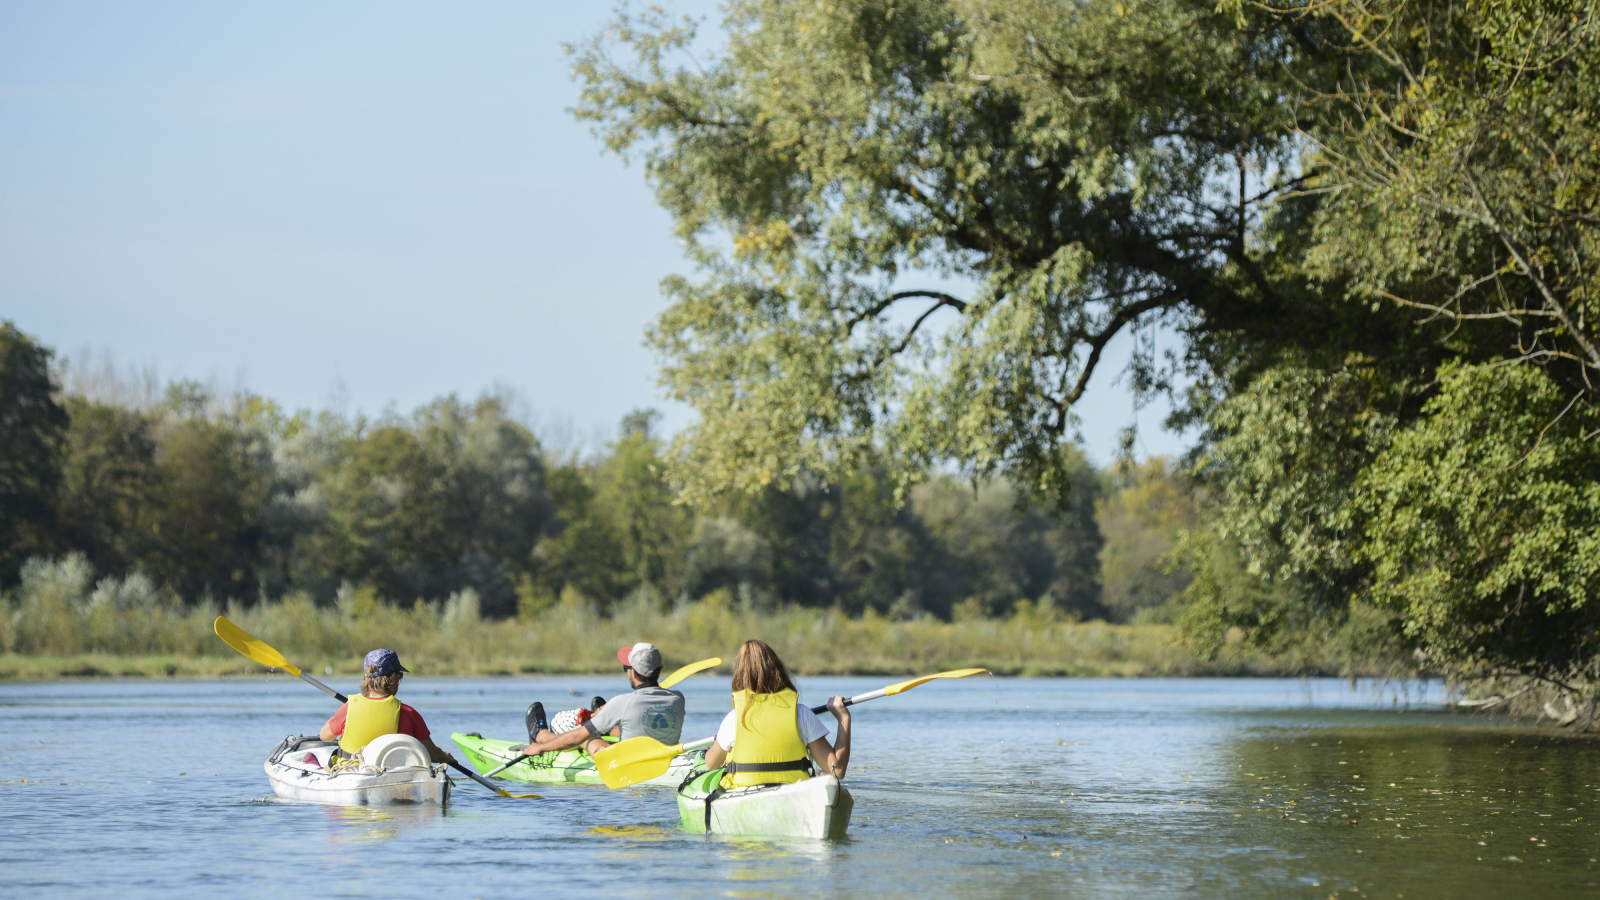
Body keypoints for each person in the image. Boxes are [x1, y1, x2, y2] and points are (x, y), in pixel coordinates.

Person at [703, 639, 851, 787]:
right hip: (792, 791)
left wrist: (714, 749)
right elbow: (836, 770)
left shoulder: (734, 719)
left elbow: (710, 765)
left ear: (740, 674)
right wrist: (843, 719)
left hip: (745, 792)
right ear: (777, 669)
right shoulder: (802, 714)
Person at [519, 642, 685, 758]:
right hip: (664, 757)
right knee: (634, 722)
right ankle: (605, 724)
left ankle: (540, 736)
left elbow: (576, 737)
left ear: (633, 672)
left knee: (587, 739)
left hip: (627, 763)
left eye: (626, 668)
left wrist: (540, 749)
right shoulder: (678, 698)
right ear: (660, 670)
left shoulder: (621, 702)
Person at [318, 648, 456, 765]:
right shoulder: (408, 713)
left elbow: (324, 736)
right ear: (393, 677)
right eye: (399, 675)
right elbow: (432, 754)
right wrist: (445, 757)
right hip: (393, 778)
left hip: (351, 774)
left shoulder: (348, 709)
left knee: (321, 762)